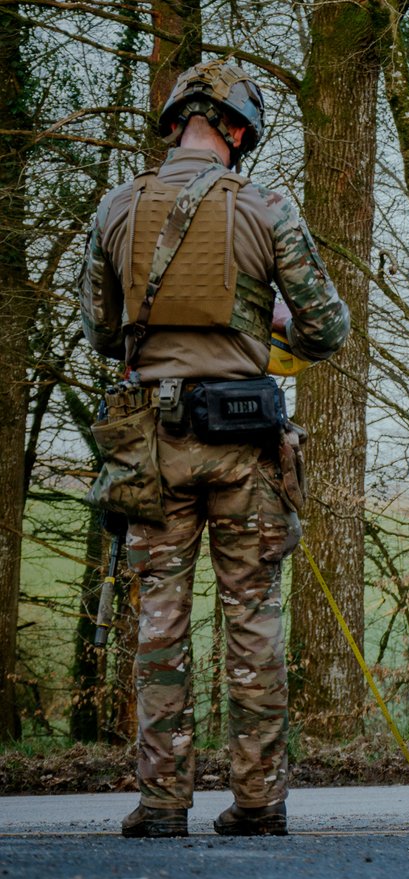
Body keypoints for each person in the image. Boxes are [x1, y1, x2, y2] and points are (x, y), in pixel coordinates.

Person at [79, 59, 350, 838]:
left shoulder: (117, 208)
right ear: (237, 130)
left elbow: (101, 332)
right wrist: (263, 331)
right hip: (244, 451)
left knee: (160, 625)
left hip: (151, 448)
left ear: (176, 123)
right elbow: (327, 329)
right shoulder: (268, 210)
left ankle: (163, 802)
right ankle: (259, 799)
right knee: (253, 622)